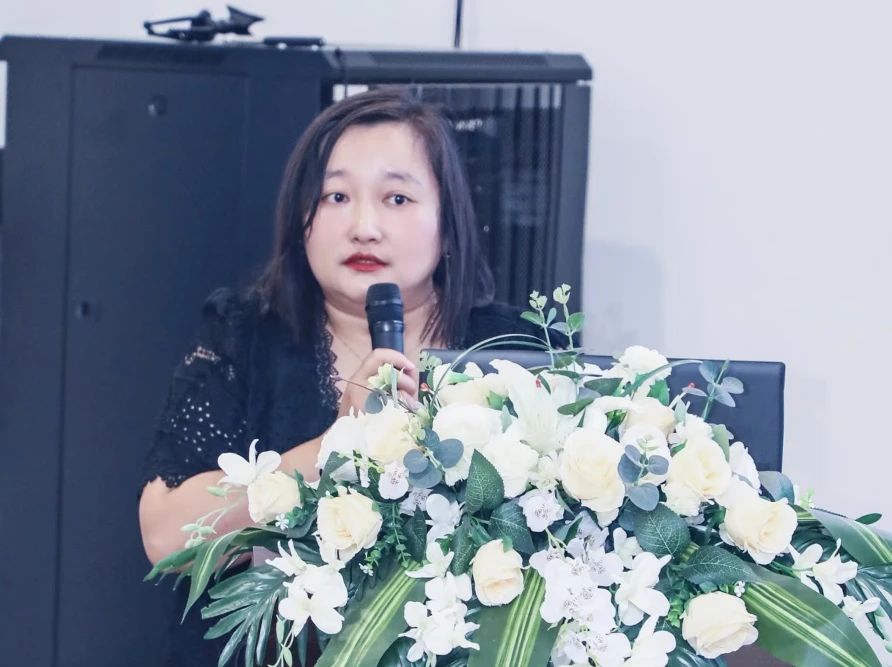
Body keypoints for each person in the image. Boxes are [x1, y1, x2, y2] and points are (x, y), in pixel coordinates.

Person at [138, 87, 543, 665]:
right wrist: (336, 445)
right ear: (300, 220)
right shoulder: (245, 339)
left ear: (449, 224)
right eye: (336, 196)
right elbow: (166, 537)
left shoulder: (515, 352)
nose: (364, 226)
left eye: (397, 197)